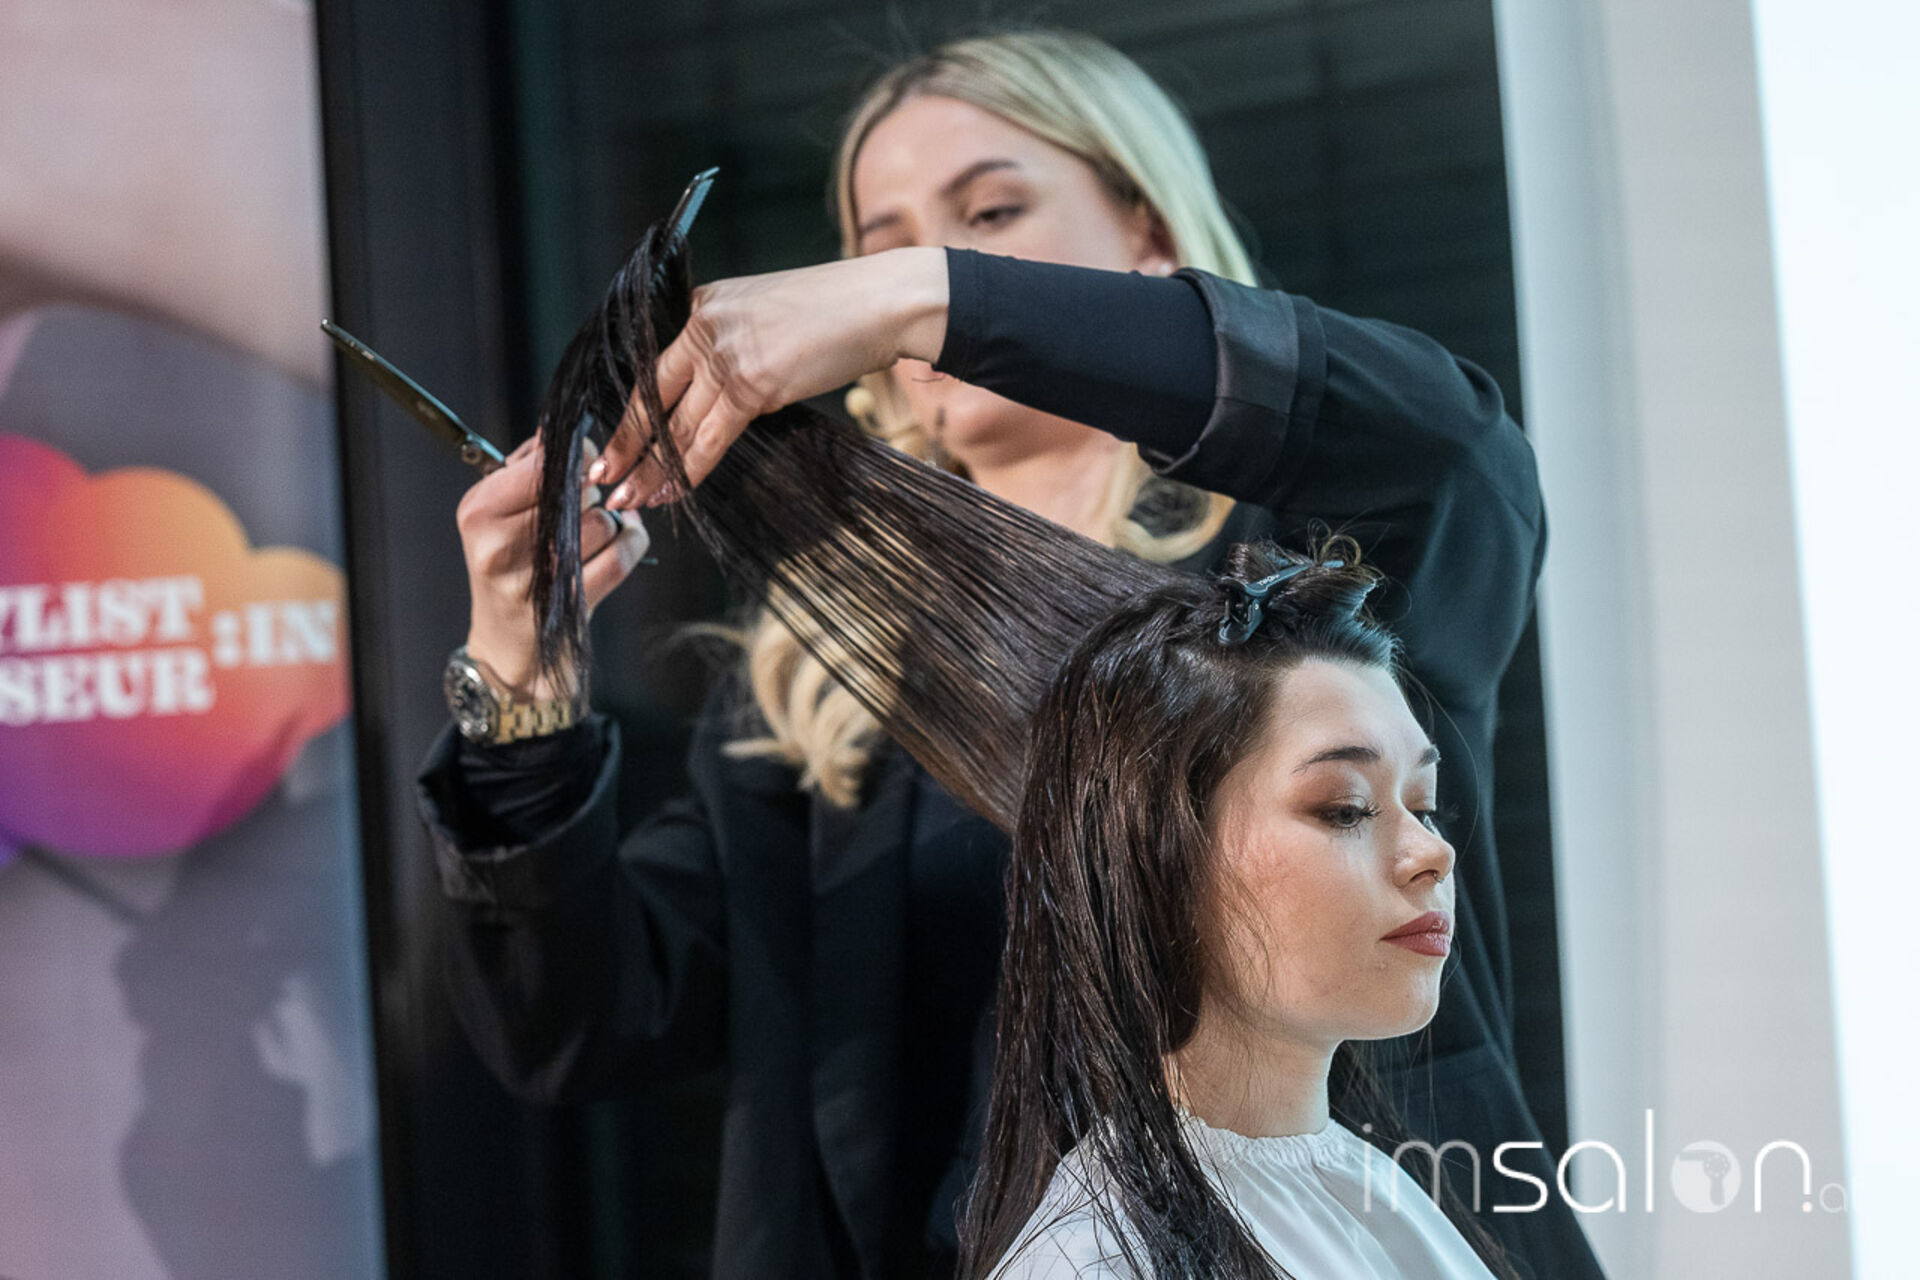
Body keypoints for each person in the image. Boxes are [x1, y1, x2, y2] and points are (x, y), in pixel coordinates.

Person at [418, 28, 1602, 1279]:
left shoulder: (1317, 575)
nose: (905, 279)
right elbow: (582, 1015)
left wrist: (932, 295)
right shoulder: (823, 677)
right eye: (877, 245)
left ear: (1148, 237)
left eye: (986, 217)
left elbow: (1460, 453)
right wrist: (522, 686)